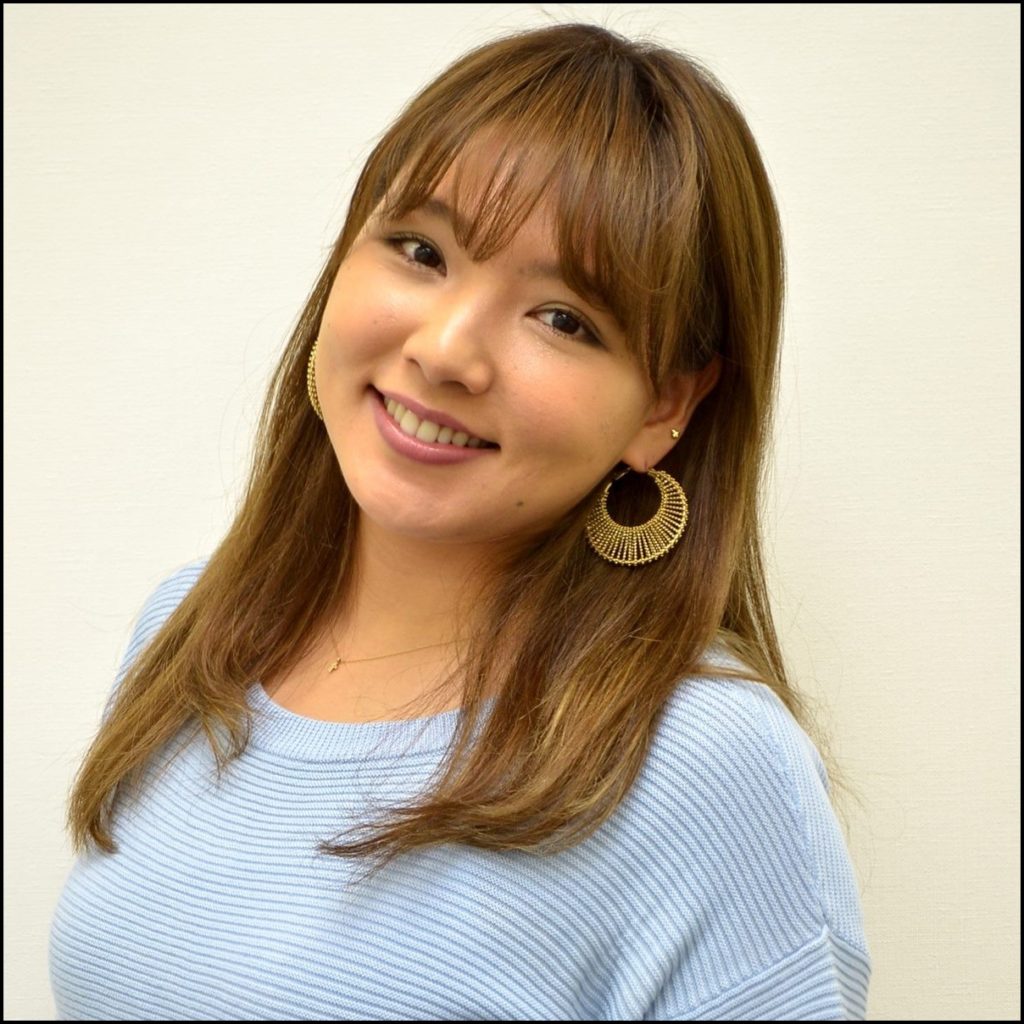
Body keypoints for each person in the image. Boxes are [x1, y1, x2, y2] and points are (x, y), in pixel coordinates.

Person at [49, 21, 872, 1021]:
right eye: (421, 251)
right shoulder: (189, 629)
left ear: (666, 404)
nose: (445, 350)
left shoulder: (709, 769)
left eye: (563, 318)